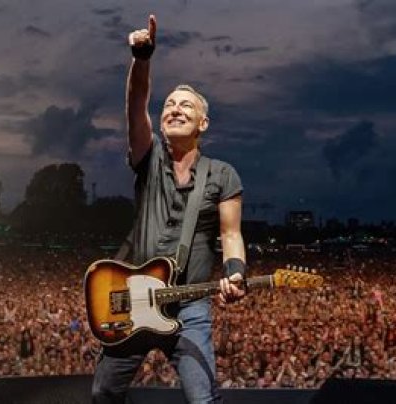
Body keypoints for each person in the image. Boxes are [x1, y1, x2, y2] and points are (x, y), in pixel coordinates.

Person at [91, 14, 247, 404]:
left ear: (203, 123)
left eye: (186, 106)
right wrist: (142, 59)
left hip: (189, 307)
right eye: (170, 105)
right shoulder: (149, 158)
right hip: (136, 299)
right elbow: (136, 103)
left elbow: (230, 233)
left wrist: (235, 272)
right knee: (104, 393)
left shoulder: (223, 174)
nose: (175, 109)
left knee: (202, 398)